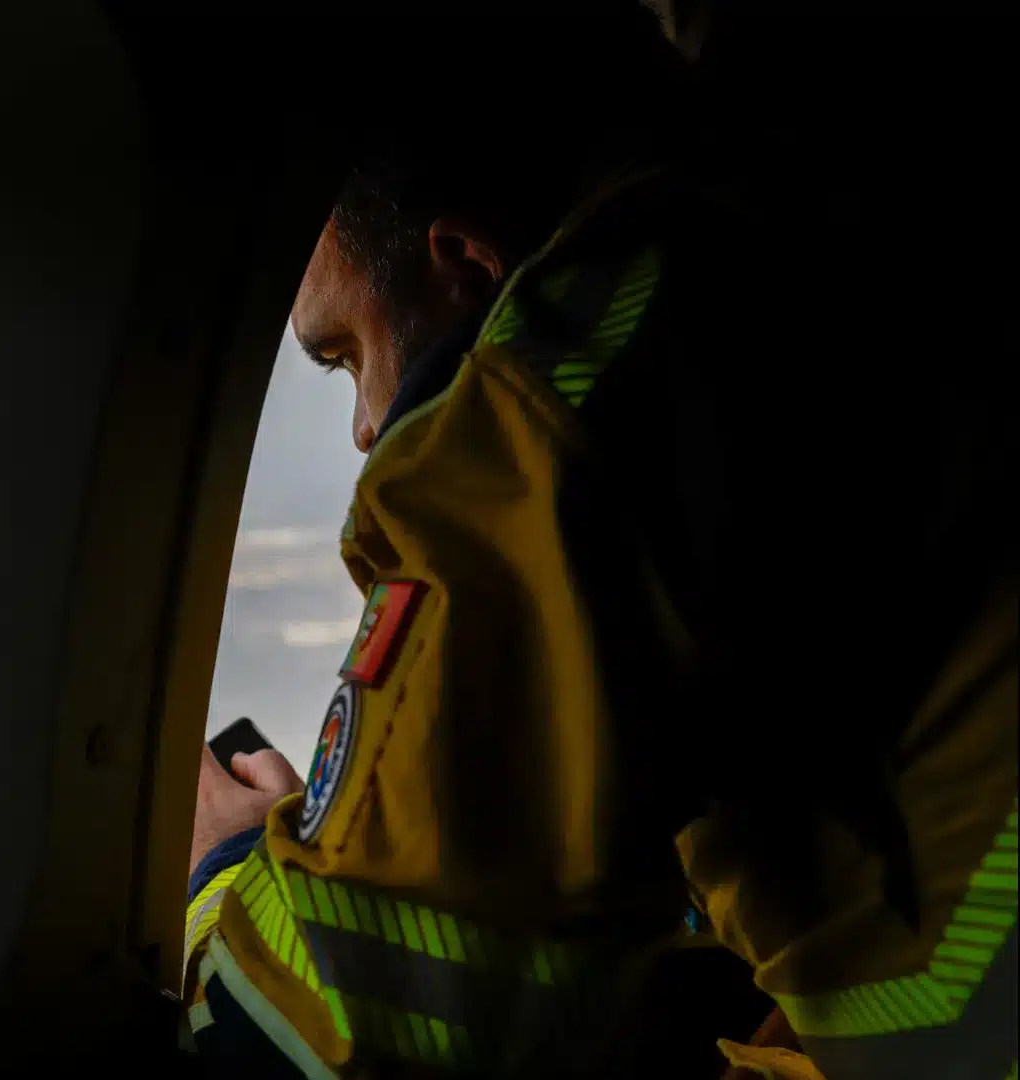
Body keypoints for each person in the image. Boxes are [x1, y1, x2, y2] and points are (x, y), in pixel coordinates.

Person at [181, 11, 1017, 1080]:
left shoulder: (564, 389)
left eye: (348, 354)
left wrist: (224, 866)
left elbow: (326, 1046)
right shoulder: (859, 254)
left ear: (469, 264)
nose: (362, 426)